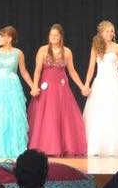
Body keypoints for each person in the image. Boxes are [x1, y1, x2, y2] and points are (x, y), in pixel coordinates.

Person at [27, 24, 88, 156]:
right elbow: (37, 70)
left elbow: (72, 72)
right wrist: (34, 86)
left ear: (60, 37)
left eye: (56, 35)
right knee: (46, 117)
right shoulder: (43, 50)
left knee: (62, 117)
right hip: (46, 89)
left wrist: (82, 86)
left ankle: (61, 146)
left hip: (61, 89)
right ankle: (45, 146)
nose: (53, 37)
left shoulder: (67, 52)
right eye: (51, 35)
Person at [82, 21, 118, 156]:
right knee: (99, 114)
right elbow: (91, 69)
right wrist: (86, 85)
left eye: (112, 31)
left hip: (115, 84)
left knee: (116, 113)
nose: (110, 33)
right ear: (101, 33)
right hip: (100, 84)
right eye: (107, 31)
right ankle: (98, 146)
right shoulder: (96, 48)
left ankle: (115, 146)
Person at [0, 26, 33, 160]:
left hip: (13, 87)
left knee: (14, 115)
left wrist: (33, 86)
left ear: (9, 38)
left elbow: (24, 72)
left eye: (1, 36)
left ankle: (14, 147)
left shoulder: (18, 53)